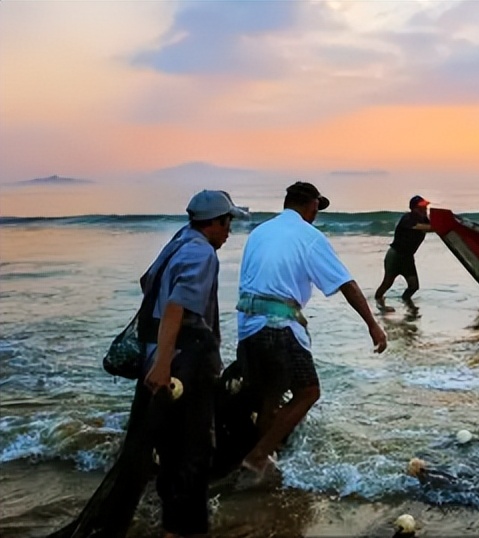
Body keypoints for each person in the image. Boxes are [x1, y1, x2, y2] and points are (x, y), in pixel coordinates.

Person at [236, 181, 387, 477]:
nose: (317, 213)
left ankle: (266, 457)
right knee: (308, 392)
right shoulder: (309, 237)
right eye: (317, 207)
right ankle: (257, 456)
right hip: (278, 326)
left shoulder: (259, 232)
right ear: (311, 205)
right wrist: (373, 324)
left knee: (270, 394)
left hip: (247, 326)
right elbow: (347, 284)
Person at [142, 189, 248, 538]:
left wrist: (158, 358)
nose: (230, 229)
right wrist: (165, 364)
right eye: (227, 221)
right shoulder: (202, 253)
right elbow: (178, 306)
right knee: (195, 451)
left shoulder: (178, 241)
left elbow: (148, 282)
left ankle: (173, 526)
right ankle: (187, 531)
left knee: (170, 449)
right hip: (186, 358)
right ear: (214, 223)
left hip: (163, 352)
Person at [374, 195, 432, 311]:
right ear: (414, 209)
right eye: (421, 208)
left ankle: (406, 301)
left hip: (408, 258)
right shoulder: (408, 218)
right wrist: (437, 227)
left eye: (425, 207)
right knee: (387, 283)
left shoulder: (424, 219)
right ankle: (379, 302)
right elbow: (421, 227)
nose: (424, 210)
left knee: (414, 286)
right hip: (395, 256)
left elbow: (430, 225)